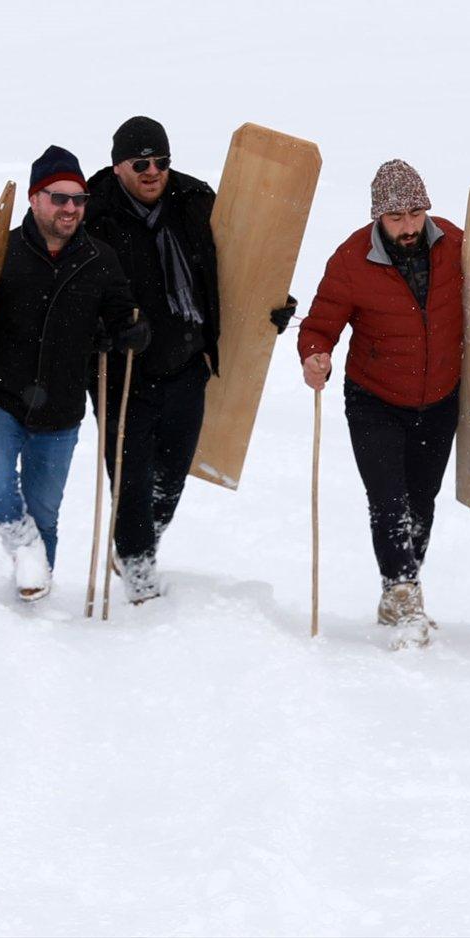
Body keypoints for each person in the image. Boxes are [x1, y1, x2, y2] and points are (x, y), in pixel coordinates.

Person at [84, 116, 296, 603]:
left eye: (161, 161)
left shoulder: (194, 201)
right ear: (118, 167)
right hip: (124, 374)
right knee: (131, 477)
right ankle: (136, 563)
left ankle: (144, 540)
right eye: (141, 163)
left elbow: (238, 265)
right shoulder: (94, 216)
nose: (153, 171)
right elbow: (76, 296)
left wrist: (273, 305)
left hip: (185, 367)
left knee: (171, 474)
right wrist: (109, 332)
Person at [0, 145, 149, 602]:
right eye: (59, 198)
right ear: (34, 199)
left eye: (79, 199)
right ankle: (24, 549)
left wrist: (130, 331)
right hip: (0, 395)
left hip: (62, 407)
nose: (71, 208)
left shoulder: (99, 258)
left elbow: (121, 313)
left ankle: (36, 590)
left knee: (45, 511)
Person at [298, 160, 463, 647]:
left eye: (415, 213)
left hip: (439, 397)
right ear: (377, 218)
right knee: (389, 500)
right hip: (375, 399)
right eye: (396, 217)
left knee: (422, 502)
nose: (408, 226)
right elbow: (318, 325)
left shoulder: (454, 244)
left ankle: (400, 588)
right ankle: (404, 593)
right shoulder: (352, 259)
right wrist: (315, 356)